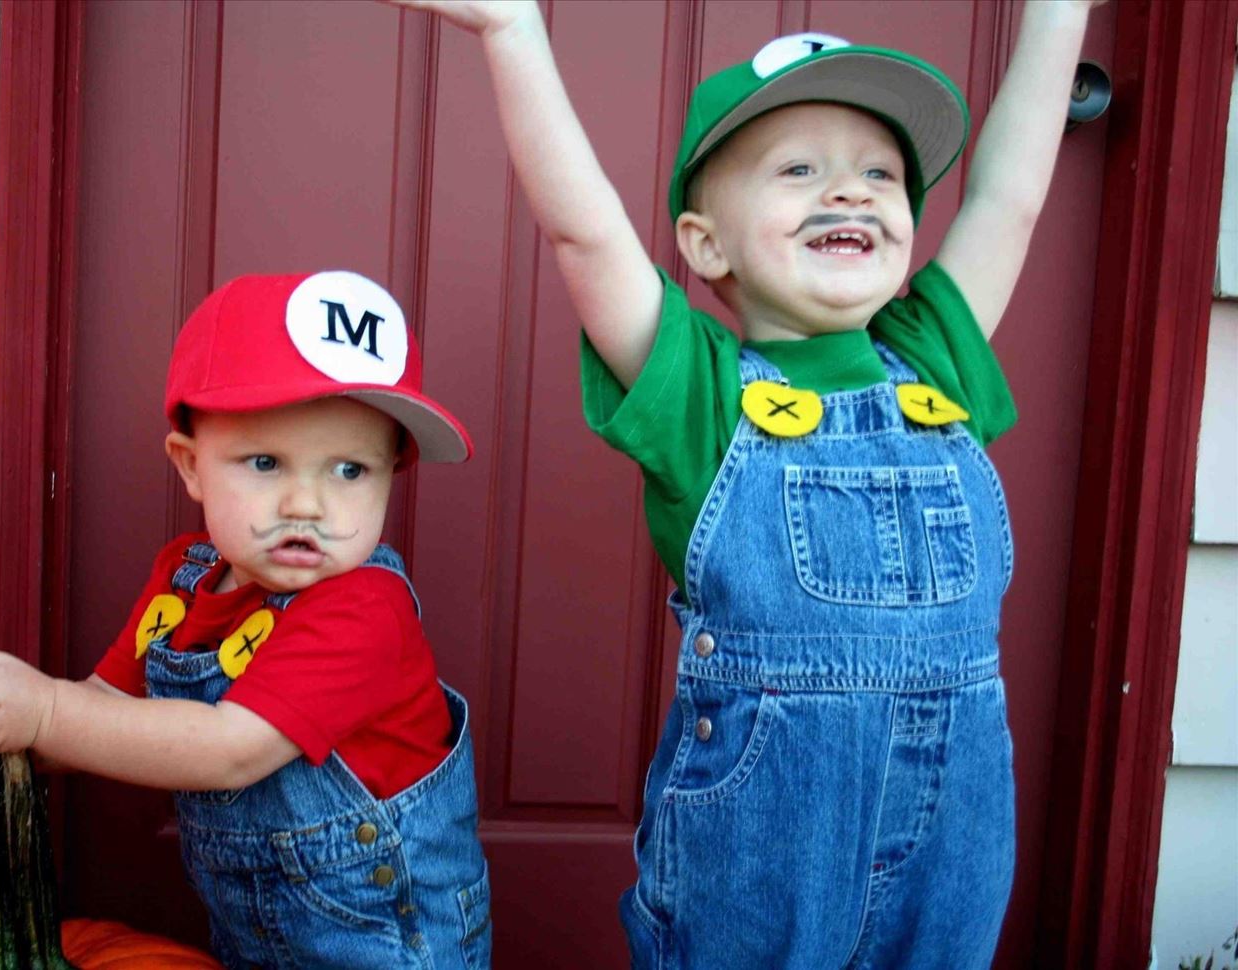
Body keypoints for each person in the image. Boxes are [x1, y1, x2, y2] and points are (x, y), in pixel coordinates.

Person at [388, 0, 1100, 965]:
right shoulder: (702, 396)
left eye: (879, 173)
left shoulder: (936, 364)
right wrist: (514, 31)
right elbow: (584, 235)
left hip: (956, 838)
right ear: (706, 245)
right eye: (799, 169)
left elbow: (1009, 195)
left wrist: (1060, 16)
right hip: (766, 852)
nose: (848, 192)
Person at [0, 270, 492, 970]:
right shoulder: (182, 583)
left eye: (350, 471)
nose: (308, 503)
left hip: (386, 944)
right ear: (190, 467)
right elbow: (101, 705)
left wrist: (40, 713)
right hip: (263, 937)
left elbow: (230, 750)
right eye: (265, 462)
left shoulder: (364, 608)